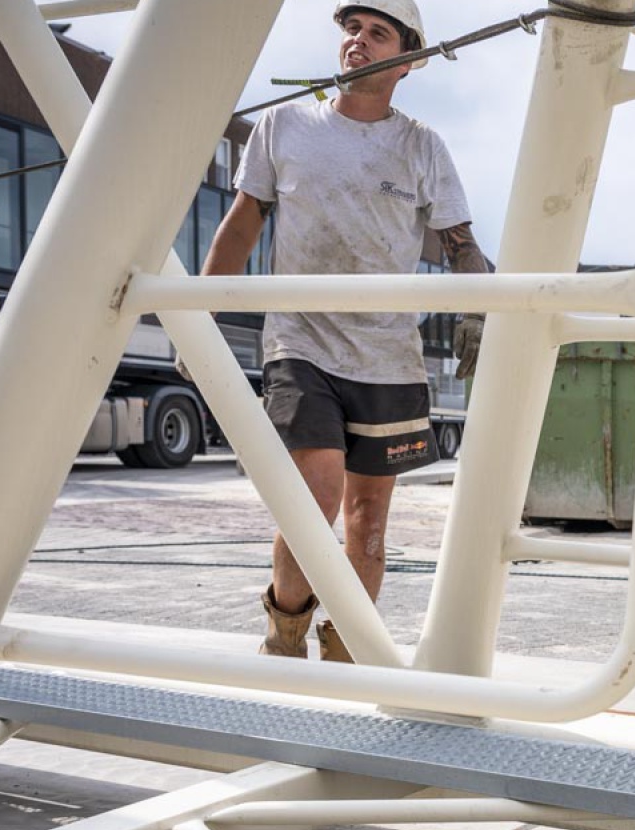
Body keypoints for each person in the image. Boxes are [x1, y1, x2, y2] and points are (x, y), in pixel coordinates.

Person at [200, 0, 489, 662]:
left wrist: (479, 306)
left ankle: (346, 658)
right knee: (315, 496)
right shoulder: (284, 125)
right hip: (300, 345)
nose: (357, 41)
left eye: (377, 32)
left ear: (408, 59)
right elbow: (244, 222)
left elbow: (459, 242)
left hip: (388, 358)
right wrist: (201, 316)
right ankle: (284, 638)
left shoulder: (422, 146)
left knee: (368, 524)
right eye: (351, 30)